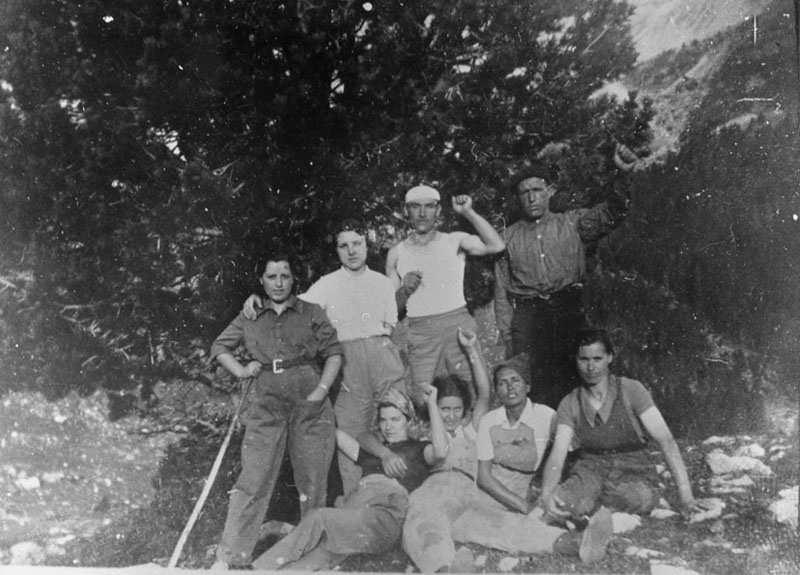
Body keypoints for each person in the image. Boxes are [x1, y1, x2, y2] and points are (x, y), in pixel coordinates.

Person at [403, 330, 613, 572]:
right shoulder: (430, 440)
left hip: (471, 496)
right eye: (444, 410)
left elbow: (484, 393)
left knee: (503, 525)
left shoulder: (471, 430)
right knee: (425, 525)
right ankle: (444, 570)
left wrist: (472, 350)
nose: (450, 416)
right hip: (437, 493)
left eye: (456, 409)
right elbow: (440, 452)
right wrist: (431, 404)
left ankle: (576, 543)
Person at [243, 218, 406, 497]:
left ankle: (403, 497)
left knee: (396, 422)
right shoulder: (327, 285)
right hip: (348, 362)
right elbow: (292, 306)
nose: (352, 251)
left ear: (367, 245)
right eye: (344, 246)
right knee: (351, 433)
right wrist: (258, 298)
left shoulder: (382, 283)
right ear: (337, 250)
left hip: (383, 356)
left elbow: (390, 325)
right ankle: (358, 502)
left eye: (357, 243)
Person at [210, 252, 343, 569]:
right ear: (262, 280)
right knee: (253, 478)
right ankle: (231, 557)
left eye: (285, 276)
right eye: (272, 276)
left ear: (294, 279)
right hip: (266, 401)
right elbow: (220, 348)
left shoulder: (311, 311)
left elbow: (334, 354)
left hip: (309, 401)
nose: (279, 283)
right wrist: (242, 370)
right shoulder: (250, 314)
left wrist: (321, 390)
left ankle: (312, 557)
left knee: (312, 481)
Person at [494, 144, 638, 408]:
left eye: (537, 190)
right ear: (518, 198)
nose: (532, 198)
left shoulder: (572, 223)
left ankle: (581, 429)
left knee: (580, 375)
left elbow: (612, 212)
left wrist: (623, 174)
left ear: (549, 191)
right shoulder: (507, 238)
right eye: (524, 193)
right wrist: (507, 333)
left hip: (569, 307)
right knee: (532, 382)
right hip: (530, 315)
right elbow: (502, 289)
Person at [251, 387, 448, 572]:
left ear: (409, 420)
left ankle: (254, 569)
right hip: (351, 517)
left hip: (381, 518)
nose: (389, 427)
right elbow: (331, 431)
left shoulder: (418, 450)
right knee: (301, 567)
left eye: (395, 419)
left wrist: (432, 404)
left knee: (319, 517)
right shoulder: (373, 453)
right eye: (383, 420)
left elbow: (440, 451)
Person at [539, 328, 709, 525]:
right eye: (584, 359)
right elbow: (557, 456)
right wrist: (547, 493)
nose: (591, 367)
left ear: (610, 357)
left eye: (597, 358)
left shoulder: (631, 390)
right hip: (590, 470)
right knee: (562, 502)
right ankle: (581, 516)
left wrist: (686, 497)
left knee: (630, 499)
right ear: (576, 360)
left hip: (634, 470)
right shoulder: (570, 403)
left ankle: (592, 518)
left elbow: (666, 441)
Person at [386, 185, 505, 405]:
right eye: (415, 207)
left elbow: (496, 245)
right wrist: (405, 290)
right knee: (424, 398)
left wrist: (468, 212)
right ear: (406, 210)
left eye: (429, 207)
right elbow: (391, 310)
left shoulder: (454, 240)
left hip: (458, 325)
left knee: (473, 391)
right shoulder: (396, 253)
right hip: (421, 331)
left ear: (438, 210)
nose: (422, 213)